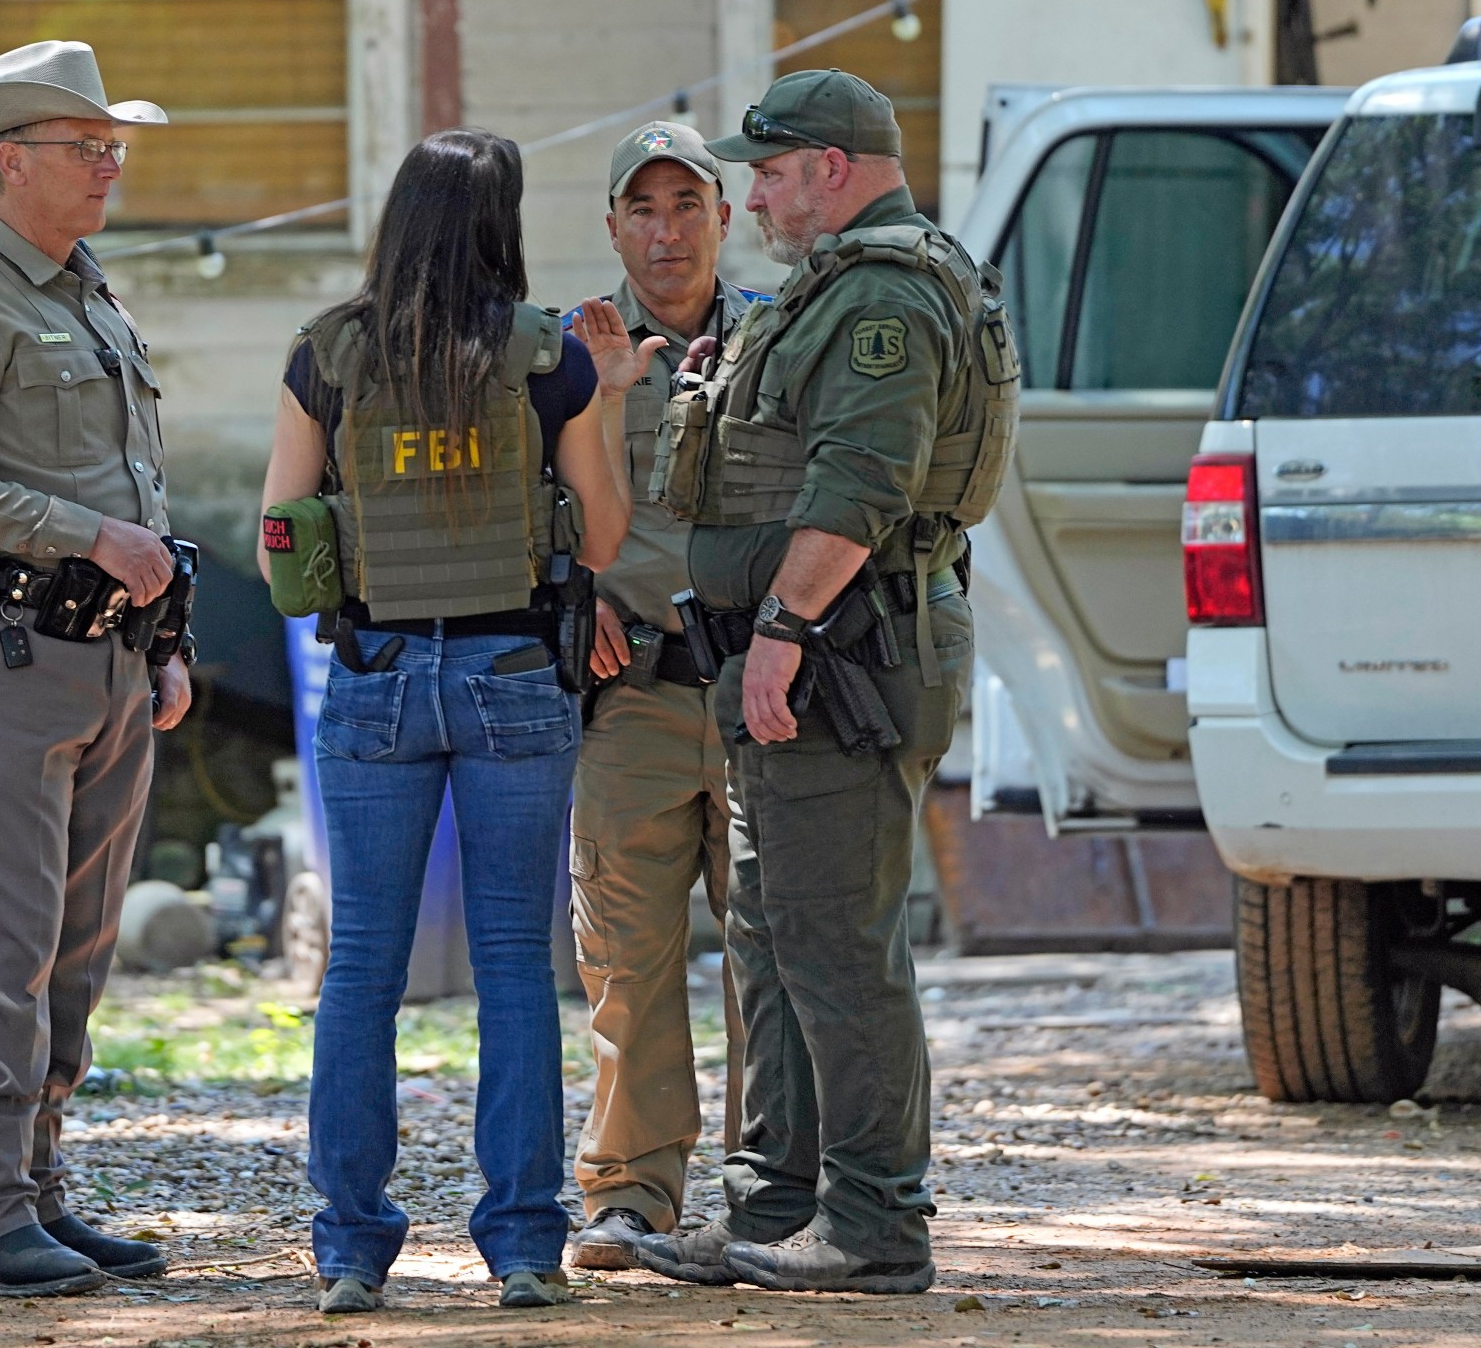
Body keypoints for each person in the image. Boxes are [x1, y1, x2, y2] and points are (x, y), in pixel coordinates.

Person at [256, 127, 654, 1314]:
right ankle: (525, 1247)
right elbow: (600, 540)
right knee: (515, 972)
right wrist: (612, 403)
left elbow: (283, 538)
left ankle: (348, 1250)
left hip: (373, 677)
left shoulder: (323, 355)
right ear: (502, 223)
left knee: (362, 969)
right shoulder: (548, 364)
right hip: (514, 675)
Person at [631, 70, 1007, 1295]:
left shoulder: (883, 296)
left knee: (836, 944)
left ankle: (876, 1223)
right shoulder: (841, 287)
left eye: (771, 172)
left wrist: (784, 630)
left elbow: (859, 485)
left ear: (834, 168)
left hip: (842, 651)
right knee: (777, 936)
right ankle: (776, 1205)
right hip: (812, 648)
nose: (752, 198)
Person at [0, 39, 196, 1297]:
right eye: (86, 147)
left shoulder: (92, 297)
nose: (108, 165)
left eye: (112, 145)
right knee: (6, 948)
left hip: (108, 663)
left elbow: (139, 486)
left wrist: (162, 646)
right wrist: (89, 540)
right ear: (11, 163)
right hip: (2, 668)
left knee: (77, 948)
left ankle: (43, 1195)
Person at [562, 122, 765, 1270]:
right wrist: (564, 592)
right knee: (626, 959)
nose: (665, 228)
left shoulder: (776, 344)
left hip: (756, 686)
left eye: (687, 204)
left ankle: (766, 1186)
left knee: (769, 950)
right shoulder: (567, 351)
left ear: (724, 219)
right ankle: (632, 1193)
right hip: (626, 689)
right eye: (642, 207)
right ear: (613, 228)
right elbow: (528, 502)